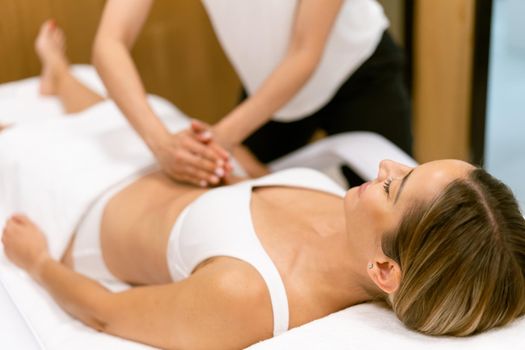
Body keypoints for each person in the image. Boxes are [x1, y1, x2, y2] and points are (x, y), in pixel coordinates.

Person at [3, 22, 525, 350]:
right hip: (159, 164)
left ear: (385, 269)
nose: (386, 165)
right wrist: (219, 155)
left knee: (21, 135)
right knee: (117, 110)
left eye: (396, 187)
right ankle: (58, 79)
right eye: (409, 168)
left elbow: (105, 312)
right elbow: (258, 186)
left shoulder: (246, 299)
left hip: (77, 203)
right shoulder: (347, 213)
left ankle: (53, 90)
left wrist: (38, 263)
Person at [92, 0, 412, 187]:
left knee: (399, 214)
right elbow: (109, 42)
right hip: (271, 89)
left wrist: (221, 137)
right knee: (242, 190)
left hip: (358, 70)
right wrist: (160, 142)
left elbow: (305, 52)